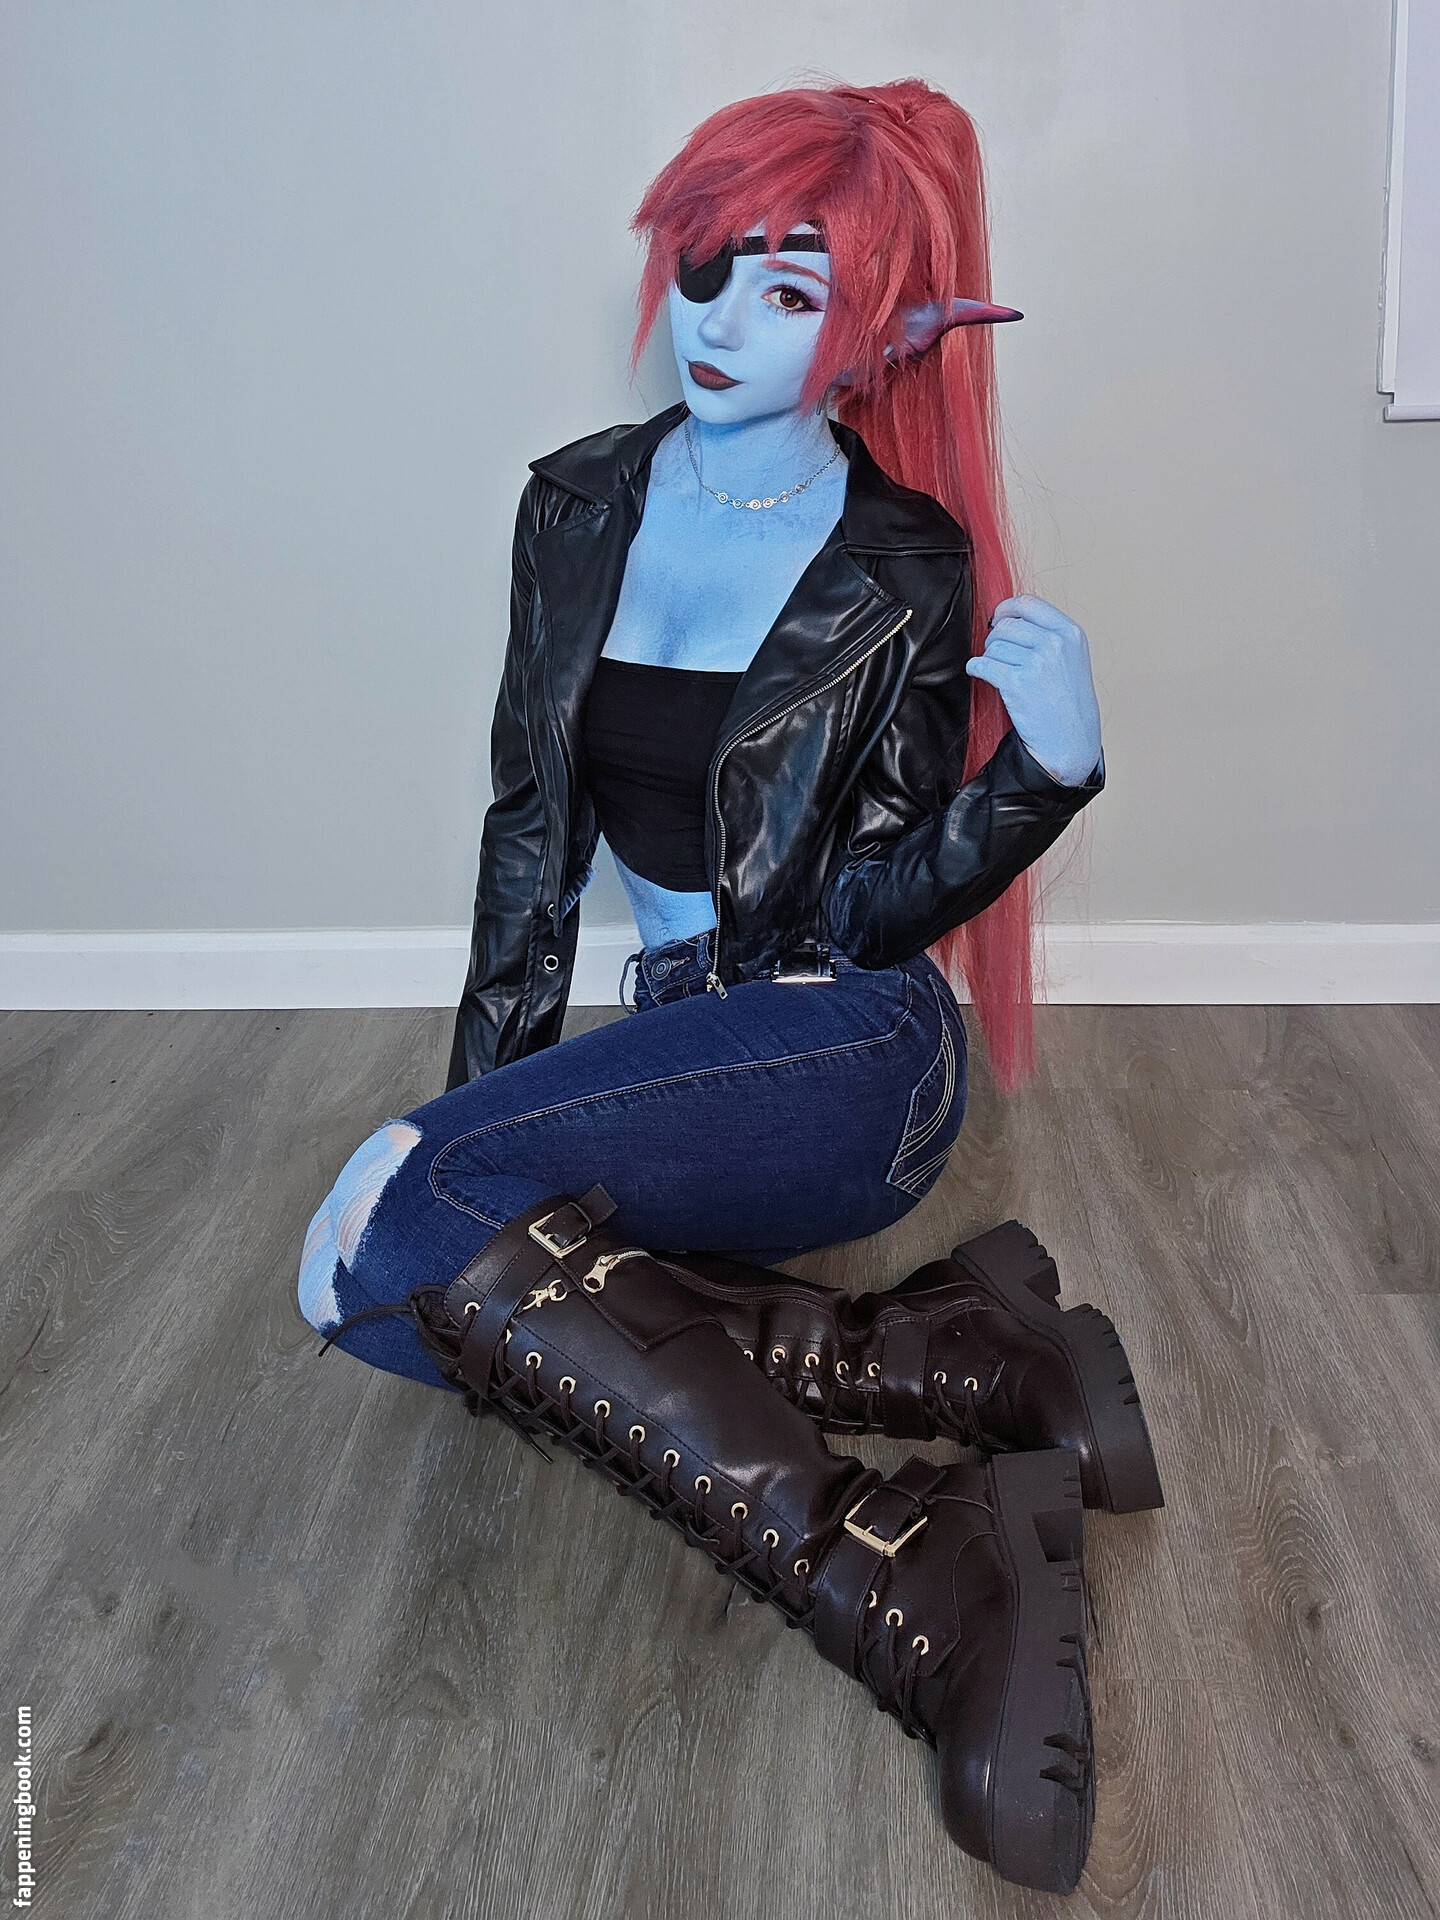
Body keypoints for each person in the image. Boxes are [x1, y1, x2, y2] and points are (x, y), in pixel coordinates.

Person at [297, 79, 1162, 1895]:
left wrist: (1045, 777)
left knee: (404, 1235)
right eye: (709, 266)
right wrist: (471, 1127)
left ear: (879, 329)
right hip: (678, 1030)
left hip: (849, 1038)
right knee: (381, 1292)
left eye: (792, 289)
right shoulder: (575, 504)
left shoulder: (902, 560)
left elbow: (871, 905)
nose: (721, 321)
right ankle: (953, 1356)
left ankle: (917, 1578)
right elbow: (529, 852)